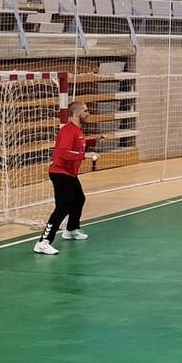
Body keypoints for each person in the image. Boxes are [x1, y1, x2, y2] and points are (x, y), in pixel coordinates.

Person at [34, 101, 105, 256]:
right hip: (60, 173)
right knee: (62, 207)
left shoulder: (78, 131)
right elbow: (63, 153)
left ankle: (71, 229)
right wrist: (84, 155)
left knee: (79, 199)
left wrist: (94, 140)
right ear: (76, 113)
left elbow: (81, 144)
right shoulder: (67, 130)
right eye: (85, 111)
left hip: (70, 173)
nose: (88, 113)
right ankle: (43, 242)